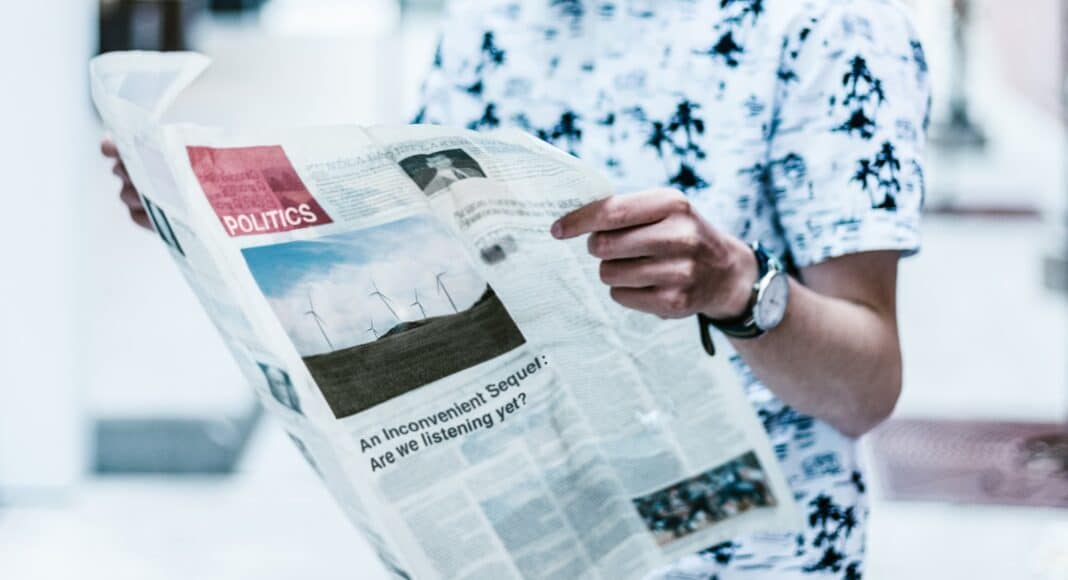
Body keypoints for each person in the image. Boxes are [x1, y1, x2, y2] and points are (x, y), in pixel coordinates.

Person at [103, 0, 929, 577]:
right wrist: (203, 222)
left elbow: (867, 388)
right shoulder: (490, 20)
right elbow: (429, 258)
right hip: (527, 540)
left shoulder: (833, 28)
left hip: (749, 557)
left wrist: (738, 288)